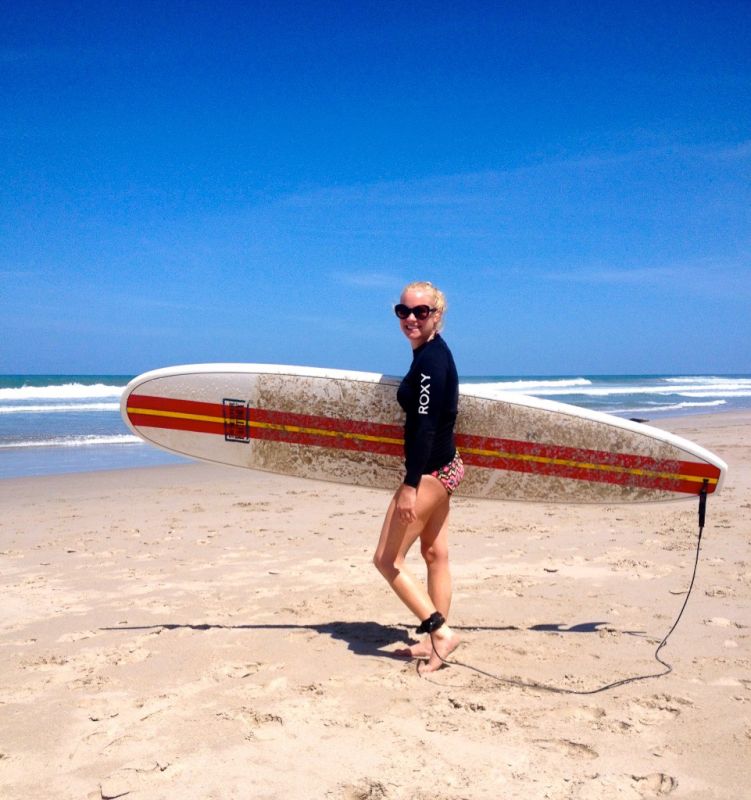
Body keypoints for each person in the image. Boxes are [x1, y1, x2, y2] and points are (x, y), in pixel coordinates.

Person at [373, 280, 464, 674]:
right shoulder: (431, 353)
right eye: (403, 311)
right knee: (434, 555)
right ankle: (434, 647)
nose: (411, 318)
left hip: (428, 474)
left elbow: (424, 427)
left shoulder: (429, 362)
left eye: (420, 311)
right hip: (448, 468)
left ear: (437, 315)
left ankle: (439, 632)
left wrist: (410, 486)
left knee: (386, 560)